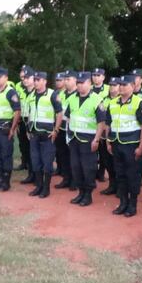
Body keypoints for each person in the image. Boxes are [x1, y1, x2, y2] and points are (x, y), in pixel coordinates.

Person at [106, 75, 142, 217]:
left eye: (125, 85)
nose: (122, 87)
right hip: (117, 144)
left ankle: (132, 205)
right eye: (120, 85)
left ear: (132, 86)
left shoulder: (139, 103)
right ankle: (123, 203)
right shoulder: (112, 103)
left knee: (133, 176)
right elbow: (109, 124)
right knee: (120, 175)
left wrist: (141, 147)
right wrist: (108, 141)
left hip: (132, 145)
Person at [65, 72, 106, 206]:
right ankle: (80, 192)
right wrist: (69, 135)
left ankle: (88, 194)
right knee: (75, 167)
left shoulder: (97, 99)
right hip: (74, 139)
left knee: (88, 168)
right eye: (78, 83)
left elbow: (101, 123)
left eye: (83, 83)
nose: (80, 85)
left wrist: (97, 139)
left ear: (89, 83)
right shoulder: (72, 98)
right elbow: (69, 117)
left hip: (89, 140)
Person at [25, 71, 63, 198]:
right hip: (34, 133)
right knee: (35, 161)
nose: (36, 82)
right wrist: (28, 129)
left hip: (47, 134)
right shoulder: (31, 95)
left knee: (47, 162)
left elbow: (59, 113)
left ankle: (46, 188)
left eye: (38, 80)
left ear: (45, 81)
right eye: (35, 80)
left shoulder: (53, 94)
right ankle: (39, 186)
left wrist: (56, 130)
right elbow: (29, 113)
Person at [0, 67, 21, 191]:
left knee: (6, 155)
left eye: (0, 77)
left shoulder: (11, 92)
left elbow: (17, 111)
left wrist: (13, 128)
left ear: (6, 78)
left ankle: (6, 181)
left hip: (5, 128)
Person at [55, 71, 77, 190]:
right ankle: (66, 178)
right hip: (61, 128)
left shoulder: (78, 95)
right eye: (65, 79)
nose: (66, 81)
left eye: (69, 79)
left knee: (72, 157)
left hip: (72, 131)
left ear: (75, 80)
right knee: (62, 155)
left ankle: (74, 180)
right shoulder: (61, 94)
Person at [99, 77, 120, 195]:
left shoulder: (121, 100)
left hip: (117, 136)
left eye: (115, 85)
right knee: (107, 162)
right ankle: (112, 185)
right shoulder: (104, 100)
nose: (112, 87)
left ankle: (119, 187)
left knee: (117, 163)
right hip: (104, 136)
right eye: (111, 85)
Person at [17, 68, 37, 184]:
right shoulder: (22, 91)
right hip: (22, 122)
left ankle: (36, 175)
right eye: (24, 78)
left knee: (33, 150)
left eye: (28, 77)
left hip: (33, 124)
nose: (25, 80)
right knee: (25, 149)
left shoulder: (36, 92)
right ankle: (30, 173)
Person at [14, 65, 34, 173]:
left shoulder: (35, 88)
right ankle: (24, 162)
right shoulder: (18, 86)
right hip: (21, 118)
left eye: (25, 77)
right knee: (22, 143)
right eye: (22, 77)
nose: (23, 79)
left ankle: (32, 167)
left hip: (31, 120)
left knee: (32, 145)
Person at [91, 68, 109, 182]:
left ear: (103, 77)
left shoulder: (108, 89)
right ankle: (92, 172)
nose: (96, 77)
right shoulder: (89, 88)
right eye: (94, 75)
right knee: (92, 151)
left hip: (103, 123)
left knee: (103, 152)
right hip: (91, 124)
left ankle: (101, 172)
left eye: (98, 75)